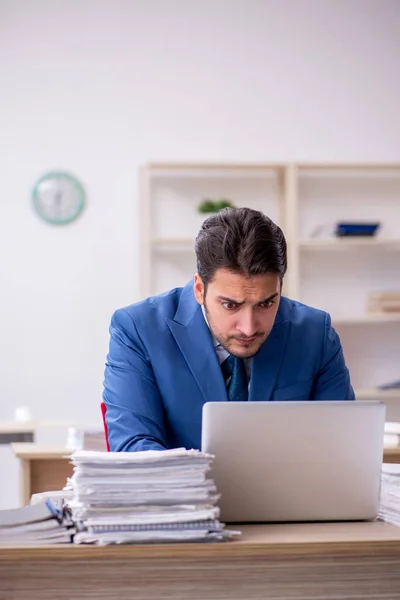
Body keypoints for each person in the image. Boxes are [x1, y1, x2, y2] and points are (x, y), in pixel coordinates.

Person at [103, 207, 354, 452]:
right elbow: (132, 446)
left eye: (266, 303)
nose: (248, 328)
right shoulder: (138, 329)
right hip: (178, 493)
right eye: (230, 305)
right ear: (200, 289)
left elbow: (343, 442)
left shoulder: (315, 333)